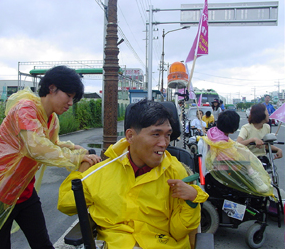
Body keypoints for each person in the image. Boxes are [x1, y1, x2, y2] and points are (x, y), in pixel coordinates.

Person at [0, 66, 101, 249]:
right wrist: (75, 158)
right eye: (69, 95)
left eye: (74, 98)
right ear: (52, 88)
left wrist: (78, 150)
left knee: (42, 243)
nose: (70, 103)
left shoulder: (52, 119)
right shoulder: (25, 110)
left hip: (23, 190)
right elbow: (36, 147)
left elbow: (52, 143)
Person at [58, 99, 208, 249]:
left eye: (167, 135)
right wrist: (81, 169)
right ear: (130, 136)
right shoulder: (103, 171)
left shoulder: (176, 172)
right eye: (156, 134)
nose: (164, 143)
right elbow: (66, 203)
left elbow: (179, 231)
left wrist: (191, 201)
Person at [200, 111, 272, 195]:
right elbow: (229, 156)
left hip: (215, 170)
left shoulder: (214, 133)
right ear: (233, 128)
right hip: (226, 171)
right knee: (245, 155)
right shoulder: (222, 143)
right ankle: (255, 178)